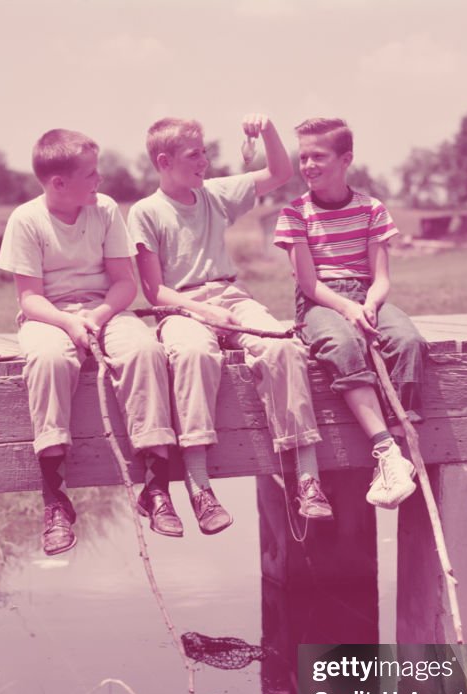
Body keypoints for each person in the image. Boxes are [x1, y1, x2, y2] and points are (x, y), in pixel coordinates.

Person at [128, 114, 333, 534]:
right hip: (180, 306)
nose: (203, 161)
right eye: (193, 155)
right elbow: (154, 292)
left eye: (204, 152)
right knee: (193, 353)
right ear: (164, 161)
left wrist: (269, 130)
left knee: (282, 345)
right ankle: (199, 487)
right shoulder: (146, 213)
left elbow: (280, 172)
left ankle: (308, 478)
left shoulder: (215, 194)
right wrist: (202, 313)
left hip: (231, 295)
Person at [0, 128, 180, 556]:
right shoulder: (26, 219)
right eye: (91, 174)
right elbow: (29, 297)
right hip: (50, 313)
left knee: (145, 350)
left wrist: (95, 318)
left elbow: (123, 284)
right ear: (59, 183)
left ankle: (156, 487)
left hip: (105, 308)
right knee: (47, 361)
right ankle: (55, 497)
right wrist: (67, 323)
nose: (100, 181)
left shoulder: (106, 211)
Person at [274, 117, 426, 509]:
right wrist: (347, 309)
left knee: (408, 339)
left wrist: (370, 305)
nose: (308, 165)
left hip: (366, 295)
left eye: (318, 156)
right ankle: (385, 448)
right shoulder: (294, 214)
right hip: (321, 303)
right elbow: (309, 285)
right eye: (303, 157)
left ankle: (397, 444)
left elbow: (381, 278)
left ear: (346, 160)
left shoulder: (371, 208)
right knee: (342, 344)